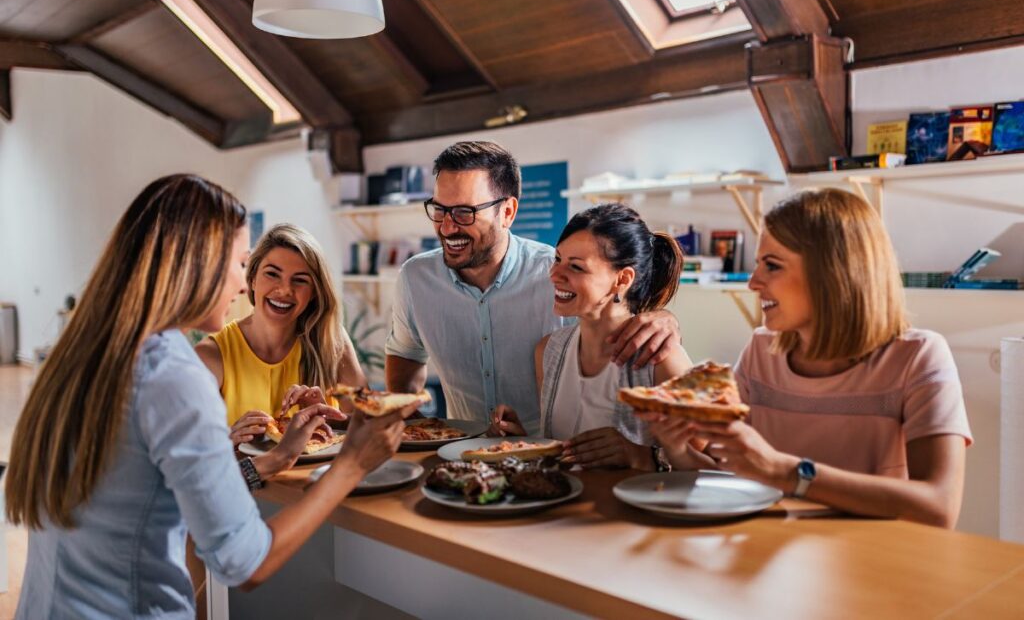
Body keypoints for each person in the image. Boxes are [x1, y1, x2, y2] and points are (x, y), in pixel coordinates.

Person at [4, 174, 417, 619]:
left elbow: (151, 486)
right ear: (199, 264)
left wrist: (272, 461)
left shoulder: (85, 354)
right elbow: (246, 562)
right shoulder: (174, 377)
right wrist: (353, 463)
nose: (244, 285)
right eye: (243, 264)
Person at [643, 188, 972, 527]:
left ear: (833, 271)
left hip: (874, 564)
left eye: (772, 266)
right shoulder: (761, 350)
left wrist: (786, 472)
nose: (754, 283)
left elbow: (939, 506)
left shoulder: (918, 356)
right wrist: (679, 451)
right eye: (758, 265)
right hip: (773, 557)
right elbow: (738, 482)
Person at [385, 141, 681, 433]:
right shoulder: (416, 278)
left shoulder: (553, 275)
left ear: (508, 212)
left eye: (464, 212)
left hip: (544, 460)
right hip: (460, 455)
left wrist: (665, 318)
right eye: (440, 210)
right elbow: (405, 354)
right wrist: (416, 430)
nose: (447, 227)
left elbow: (618, 314)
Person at [491, 204, 694, 469]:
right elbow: (563, 454)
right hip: (562, 509)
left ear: (622, 280)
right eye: (557, 259)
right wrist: (525, 442)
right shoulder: (549, 352)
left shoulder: (662, 361)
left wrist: (644, 456)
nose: (554, 275)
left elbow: (703, 472)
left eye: (575, 267)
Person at [196, 223, 366, 459]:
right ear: (252, 279)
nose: (284, 290)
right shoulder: (210, 356)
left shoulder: (331, 340)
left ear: (315, 292)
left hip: (319, 486)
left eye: (300, 280)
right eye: (272, 274)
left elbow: (367, 428)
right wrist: (226, 439)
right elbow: (185, 459)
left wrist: (328, 419)